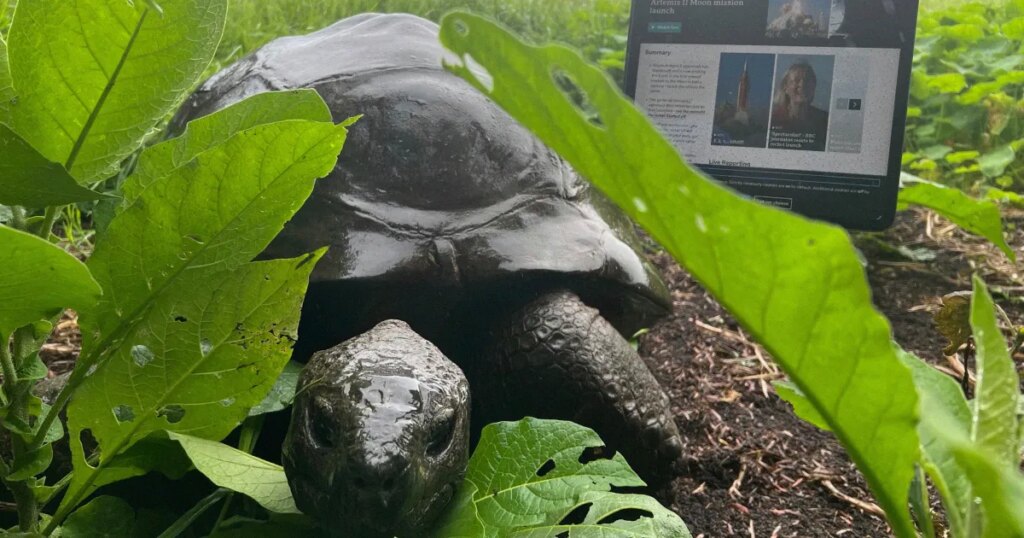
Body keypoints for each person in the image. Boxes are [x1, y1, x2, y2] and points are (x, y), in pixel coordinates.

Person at [771, 61, 828, 147]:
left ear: (814, 87)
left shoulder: (824, 120)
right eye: (796, 80)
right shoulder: (773, 120)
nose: (802, 84)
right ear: (785, 87)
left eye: (807, 80)